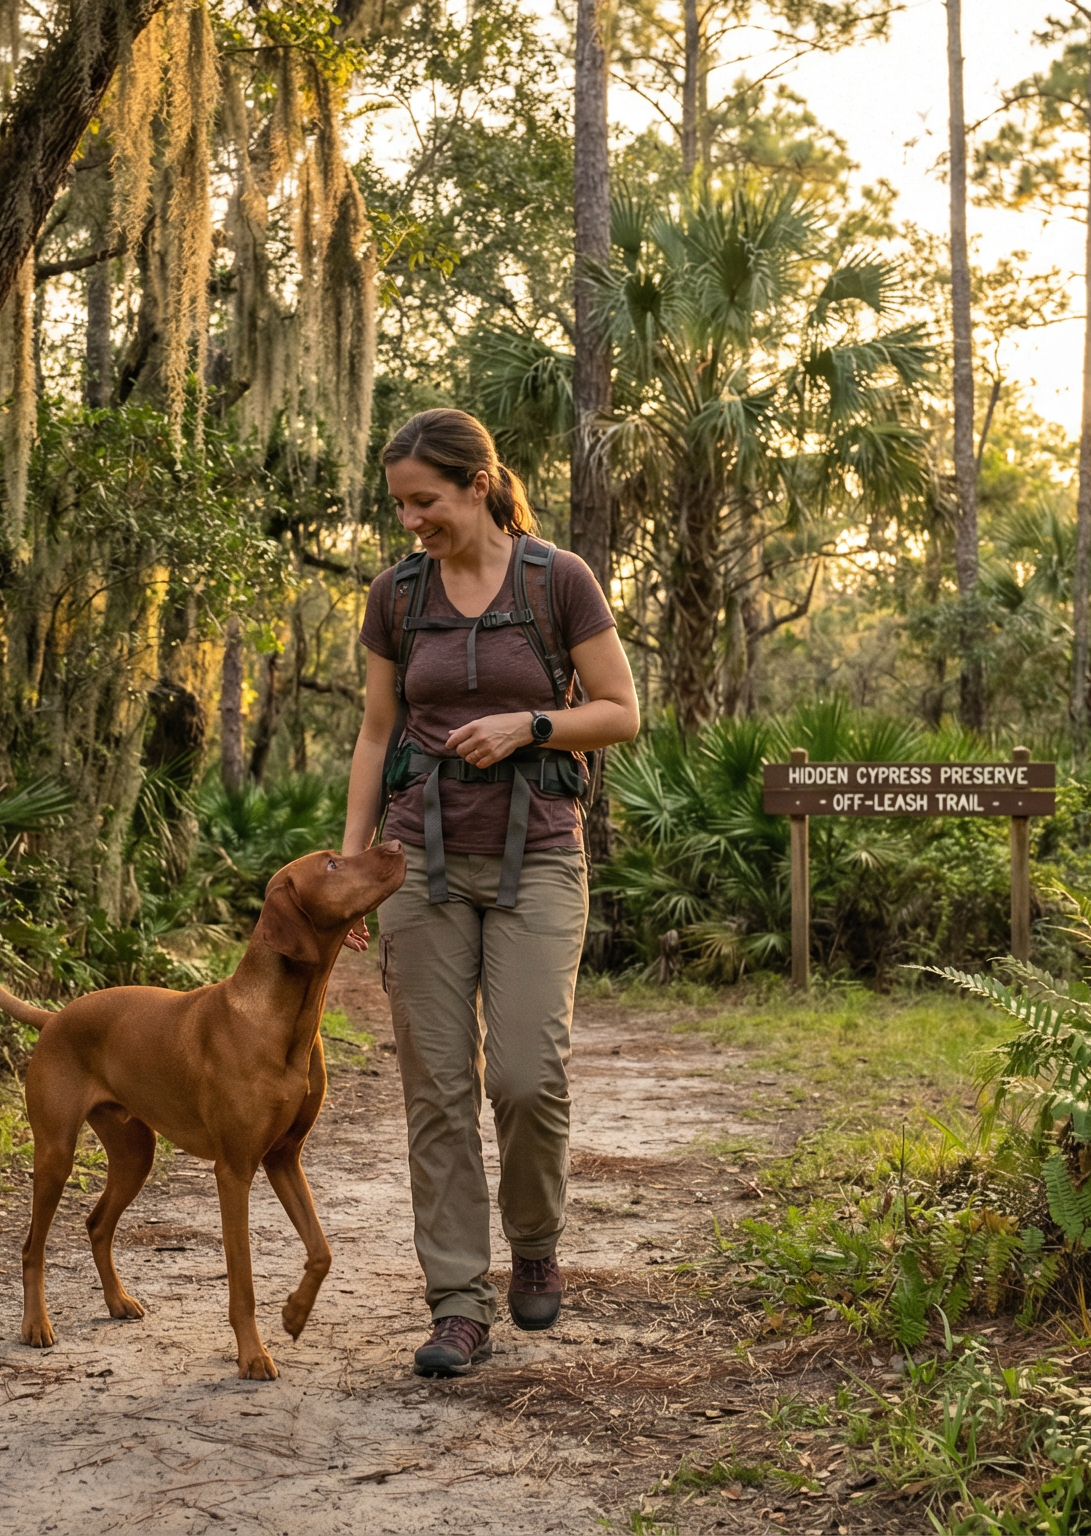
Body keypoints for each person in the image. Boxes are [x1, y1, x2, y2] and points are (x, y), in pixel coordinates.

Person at [340, 408, 642, 1378]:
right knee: (435, 1085)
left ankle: (535, 1239)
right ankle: (457, 1302)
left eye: (422, 501)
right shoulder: (397, 595)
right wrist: (352, 868)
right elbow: (376, 734)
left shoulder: (558, 582)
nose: (410, 521)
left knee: (525, 1074)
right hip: (417, 858)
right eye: (398, 505)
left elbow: (621, 712)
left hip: (539, 854)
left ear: (476, 484)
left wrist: (528, 727)